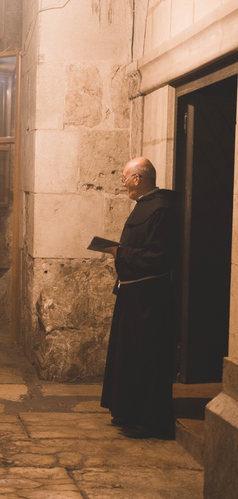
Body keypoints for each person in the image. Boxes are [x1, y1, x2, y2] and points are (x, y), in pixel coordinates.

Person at [100, 157, 177, 439]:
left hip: (150, 299)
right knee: (128, 354)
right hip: (132, 294)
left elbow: (159, 255)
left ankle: (149, 420)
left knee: (147, 357)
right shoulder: (145, 206)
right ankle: (127, 411)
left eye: (124, 179)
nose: (123, 185)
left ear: (137, 179)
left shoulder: (162, 209)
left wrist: (120, 253)